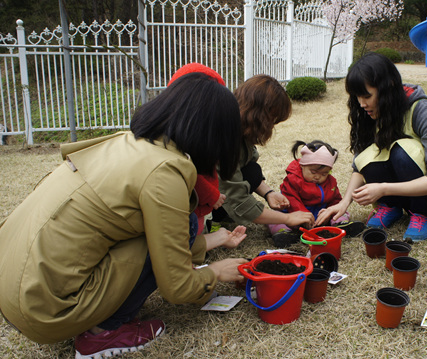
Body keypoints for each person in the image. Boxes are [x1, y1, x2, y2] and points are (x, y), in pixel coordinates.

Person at [0, 63, 249, 358]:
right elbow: (177, 287)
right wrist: (215, 272)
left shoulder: (127, 141)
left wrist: (214, 240)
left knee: (176, 230)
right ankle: (102, 332)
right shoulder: (165, 170)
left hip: (15, 290)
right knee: (170, 233)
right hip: (46, 309)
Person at [316, 52, 427, 242]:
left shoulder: (423, 111)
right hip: (396, 185)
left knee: (401, 151)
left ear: (388, 87)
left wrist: (383, 189)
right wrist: (344, 202)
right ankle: (391, 207)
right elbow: (360, 164)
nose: (361, 104)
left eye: (366, 96)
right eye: (357, 97)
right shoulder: (367, 113)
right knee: (374, 152)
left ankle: (421, 212)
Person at [210, 75, 316, 237]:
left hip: (218, 191)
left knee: (252, 170)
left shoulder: (241, 128)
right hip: (196, 197)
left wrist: (269, 193)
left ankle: (220, 215)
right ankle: (209, 221)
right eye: (272, 121)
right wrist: (287, 218)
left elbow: (249, 166)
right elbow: (239, 201)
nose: (271, 127)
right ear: (259, 114)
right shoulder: (224, 137)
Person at [268, 140, 366, 246]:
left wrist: (330, 211)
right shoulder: (293, 180)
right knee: (275, 219)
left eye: (324, 174)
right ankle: (284, 233)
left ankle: (340, 224)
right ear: (302, 166)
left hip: (319, 216)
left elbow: (335, 200)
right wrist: (304, 216)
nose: (318, 177)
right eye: (313, 172)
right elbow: (292, 200)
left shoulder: (330, 182)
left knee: (341, 213)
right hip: (293, 215)